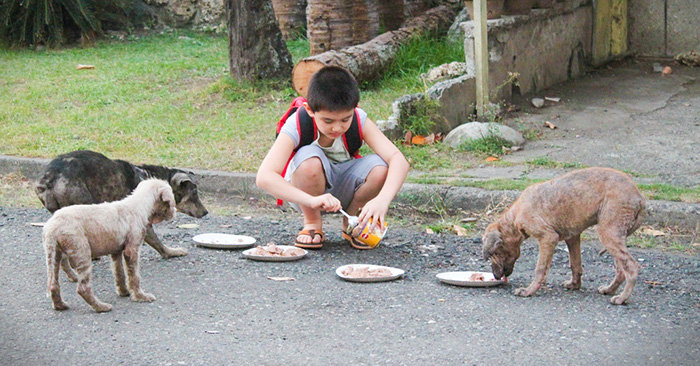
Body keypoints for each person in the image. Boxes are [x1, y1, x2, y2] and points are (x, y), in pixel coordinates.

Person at [256, 66, 410, 250]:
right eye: (328, 121)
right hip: (305, 194)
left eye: (345, 119)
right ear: (310, 110)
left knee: (381, 168)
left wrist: (382, 200)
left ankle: (353, 222)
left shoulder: (359, 119)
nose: (337, 128)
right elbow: (264, 177)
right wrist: (311, 200)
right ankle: (312, 223)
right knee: (309, 161)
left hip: (345, 187)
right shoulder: (298, 123)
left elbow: (398, 160)